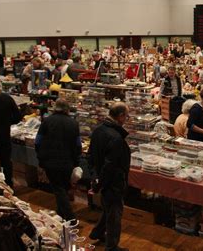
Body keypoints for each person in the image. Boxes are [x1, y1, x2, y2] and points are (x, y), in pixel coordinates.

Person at [88, 102, 131, 251]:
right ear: (120, 116)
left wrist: (95, 179)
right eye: (126, 115)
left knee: (108, 208)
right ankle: (111, 247)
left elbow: (91, 157)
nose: (127, 118)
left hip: (104, 179)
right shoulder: (116, 137)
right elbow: (110, 165)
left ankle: (97, 232)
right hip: (113, 182)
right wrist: (100, 183)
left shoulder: (99, 130)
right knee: (114, 214)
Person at [35, 99, 81, 221]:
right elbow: (78, 145)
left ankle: (71, 218)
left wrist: (40, 157)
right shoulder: (74, 124)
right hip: (68, 162)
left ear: (55, 108)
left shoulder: (47, 121)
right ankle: (61, 216)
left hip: (50, 161)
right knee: (63, 188)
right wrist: (76, 161)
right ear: (67, 109)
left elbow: (38, 141)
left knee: (59, 189)